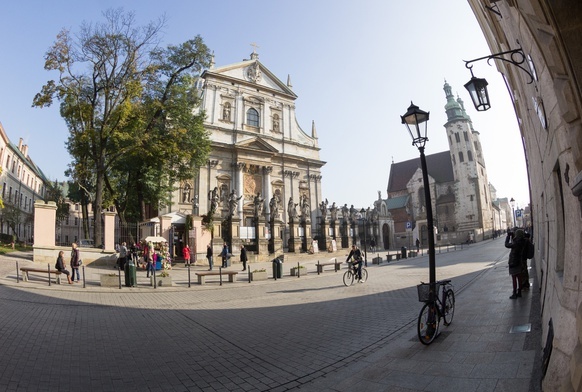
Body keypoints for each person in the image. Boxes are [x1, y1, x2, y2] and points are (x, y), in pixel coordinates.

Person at [505, 229, 526, 299]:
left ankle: (514, 293)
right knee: (519, 277)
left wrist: (508, 236)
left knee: (514, 278)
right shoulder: (522, 241)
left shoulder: (516, 242)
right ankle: (519, 292)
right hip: (519, 261)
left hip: (513, 262)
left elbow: (507, 245)